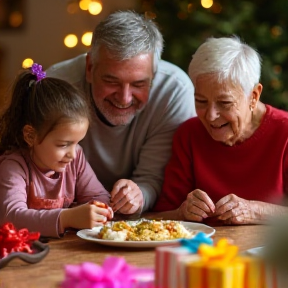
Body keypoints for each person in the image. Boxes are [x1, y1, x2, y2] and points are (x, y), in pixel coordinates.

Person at [46, 10, 196, 216]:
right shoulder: (56, 86)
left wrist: (138, 195)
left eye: (139, 84)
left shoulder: (174, 91)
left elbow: (153, 178)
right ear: (90, 67)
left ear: (154, 74)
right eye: (111, 81)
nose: (124, 98)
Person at [152, 36, 288, 225]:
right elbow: (160, 215)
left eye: (224, 103)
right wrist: (182, 212)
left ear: (254, 96)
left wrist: (254, 211)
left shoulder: (284, 132)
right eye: (201, 101)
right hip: (205, 251)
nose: (210, 116)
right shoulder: (189, 135)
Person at [0, 63, 113, 238]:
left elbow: (99, 195)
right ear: (30, 136)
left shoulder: (75, 159)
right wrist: (67, 218)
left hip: (62, 252)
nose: (73, 154)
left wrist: (97, 210)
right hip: (23, 257)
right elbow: (11, 217)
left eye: (77, 143)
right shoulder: (14, 166)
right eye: (63, 144)